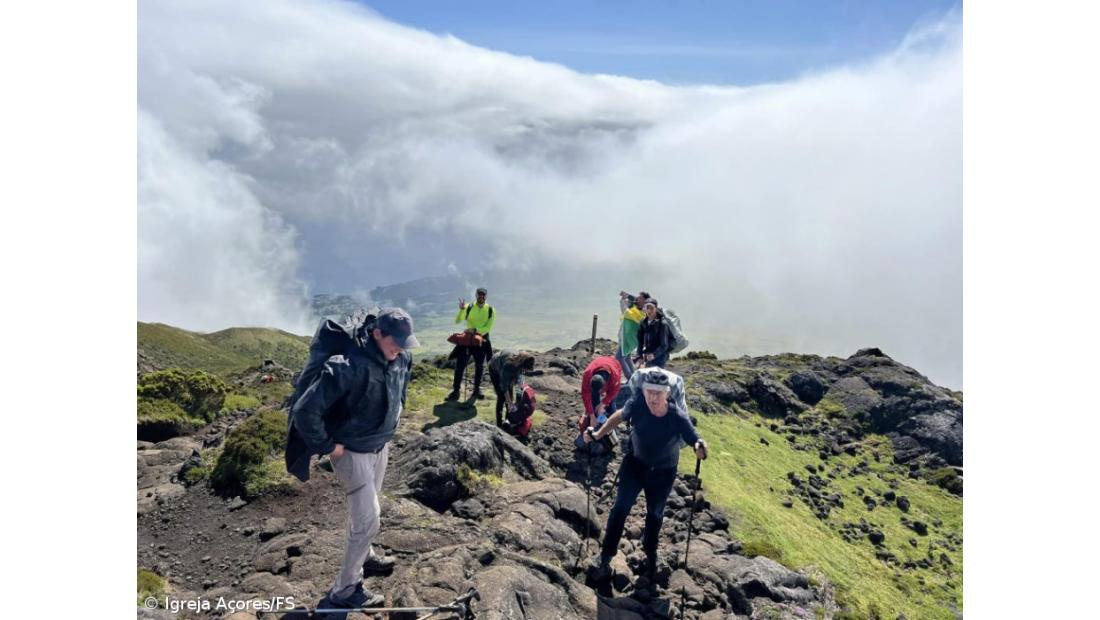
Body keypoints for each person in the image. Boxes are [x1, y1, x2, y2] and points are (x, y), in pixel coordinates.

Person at [289, 308, 419, 609]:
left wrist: (392, 422)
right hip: (352, 453)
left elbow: (401, 389)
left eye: (404, 342)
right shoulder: (347, 366)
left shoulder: (401, 358)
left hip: (379, 446)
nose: (400, 348)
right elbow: (304, 411)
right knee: (369, 519)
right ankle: (345, 590)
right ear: (377, 334)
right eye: (395, 341)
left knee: (366, 514)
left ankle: (366, 555)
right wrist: (327, 446)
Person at [584, 369, 707, 580]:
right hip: (635, 465)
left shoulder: (676, 415)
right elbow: (619, 416)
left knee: (655, 514)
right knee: (620, 508)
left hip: (663, 472)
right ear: (644, 390)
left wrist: (700, 448)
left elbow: (694, 439)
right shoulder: (638, 403)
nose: (653, 397)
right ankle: (605, 556)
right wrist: (598, 433)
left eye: (658, 393)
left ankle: (650, 552)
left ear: (668, 394)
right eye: (649, 391)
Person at [446, 287, 496, 401]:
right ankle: (455, 391)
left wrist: (475, 330)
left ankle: (476, 390)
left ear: (486, 296)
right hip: (468, 340)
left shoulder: (490, 310)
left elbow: (488, 328)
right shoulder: (468, 307)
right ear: (476, 295)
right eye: (479, 295)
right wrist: (462, 310)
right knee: (460, 366)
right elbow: (458, 321)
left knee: (479, 366)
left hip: (482, 340)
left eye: (483, 295)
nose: (481, 297)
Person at [488, 349, 535, 428]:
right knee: (501, 397)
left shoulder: (522, 363)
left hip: (508, 366)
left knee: (511, 396)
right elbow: (504, 386)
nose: (524, 371)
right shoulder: (508, 365)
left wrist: (520, 394)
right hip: (494, 368)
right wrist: (510, 402)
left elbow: (520, 381)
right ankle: (499, 424)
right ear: (522, 365)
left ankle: (508, 420)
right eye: (524, 369)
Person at [578, 355, 623, 432]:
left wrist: (603, 403)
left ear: (605, 385)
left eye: (600, 391)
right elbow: (585, 395)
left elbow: (614, 392)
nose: (600, 393)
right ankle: (596, 418)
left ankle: (613, 424)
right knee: (594, 401)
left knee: (611, 404)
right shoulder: (587, 374)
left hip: (614, 364)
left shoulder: (614, 377)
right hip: (598, 363)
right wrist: (592, 416)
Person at [616, 292, 646, 379]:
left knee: (619, 357)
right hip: (630, 339)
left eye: (640, 298)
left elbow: (625, 310)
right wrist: (628, 296)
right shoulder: (637, 311)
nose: (637, 300)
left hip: (629, 339)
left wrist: (625, 299)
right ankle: (634, 376)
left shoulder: (638, 313)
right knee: (627, 357)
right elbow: (634, 302)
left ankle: (630, 378)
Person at [637, 298, 670, 368]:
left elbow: (664, 345)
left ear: (656, 308)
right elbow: (640, 341)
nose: (649, 310)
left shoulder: (662, 324)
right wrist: (639, 356)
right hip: (648, 356)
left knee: (657, 377)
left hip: (660, 358)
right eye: (647, 307)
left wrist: (654, 355)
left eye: (651, 308)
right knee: (647, 377)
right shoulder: (643, 323)